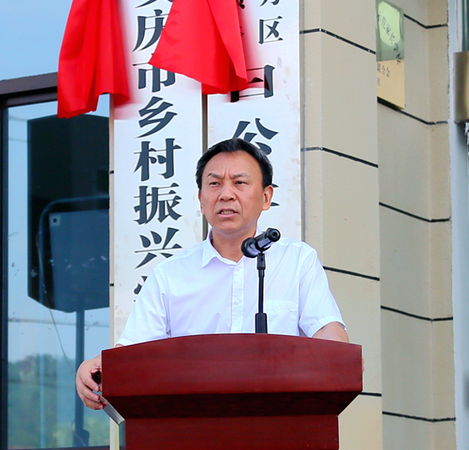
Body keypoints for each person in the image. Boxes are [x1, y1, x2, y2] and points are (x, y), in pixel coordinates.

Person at [76, 138, 349, 410]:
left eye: (239, 182)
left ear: (266, 197)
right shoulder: (169, 275)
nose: (226, 194)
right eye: (215, 183)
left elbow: (329, 333)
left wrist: (341, 357)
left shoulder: (297, 261)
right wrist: (96, 368)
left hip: (282, 417)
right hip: (190, 421)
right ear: (201, 199)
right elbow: (132, 354)